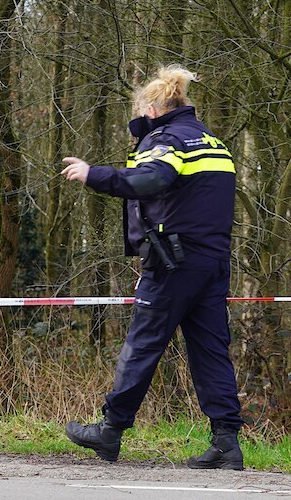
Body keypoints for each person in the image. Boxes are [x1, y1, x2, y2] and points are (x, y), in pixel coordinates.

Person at [60, 64, 244, 470]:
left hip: (173, 263)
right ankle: (227, 442)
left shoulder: (166, 140)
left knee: (142, 345)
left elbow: (150, 180)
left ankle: (110, 431)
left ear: (153, 108)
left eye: (142, 111)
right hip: (213, 263)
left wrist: (96, 175)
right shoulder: (214, 143)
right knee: (211, 351)